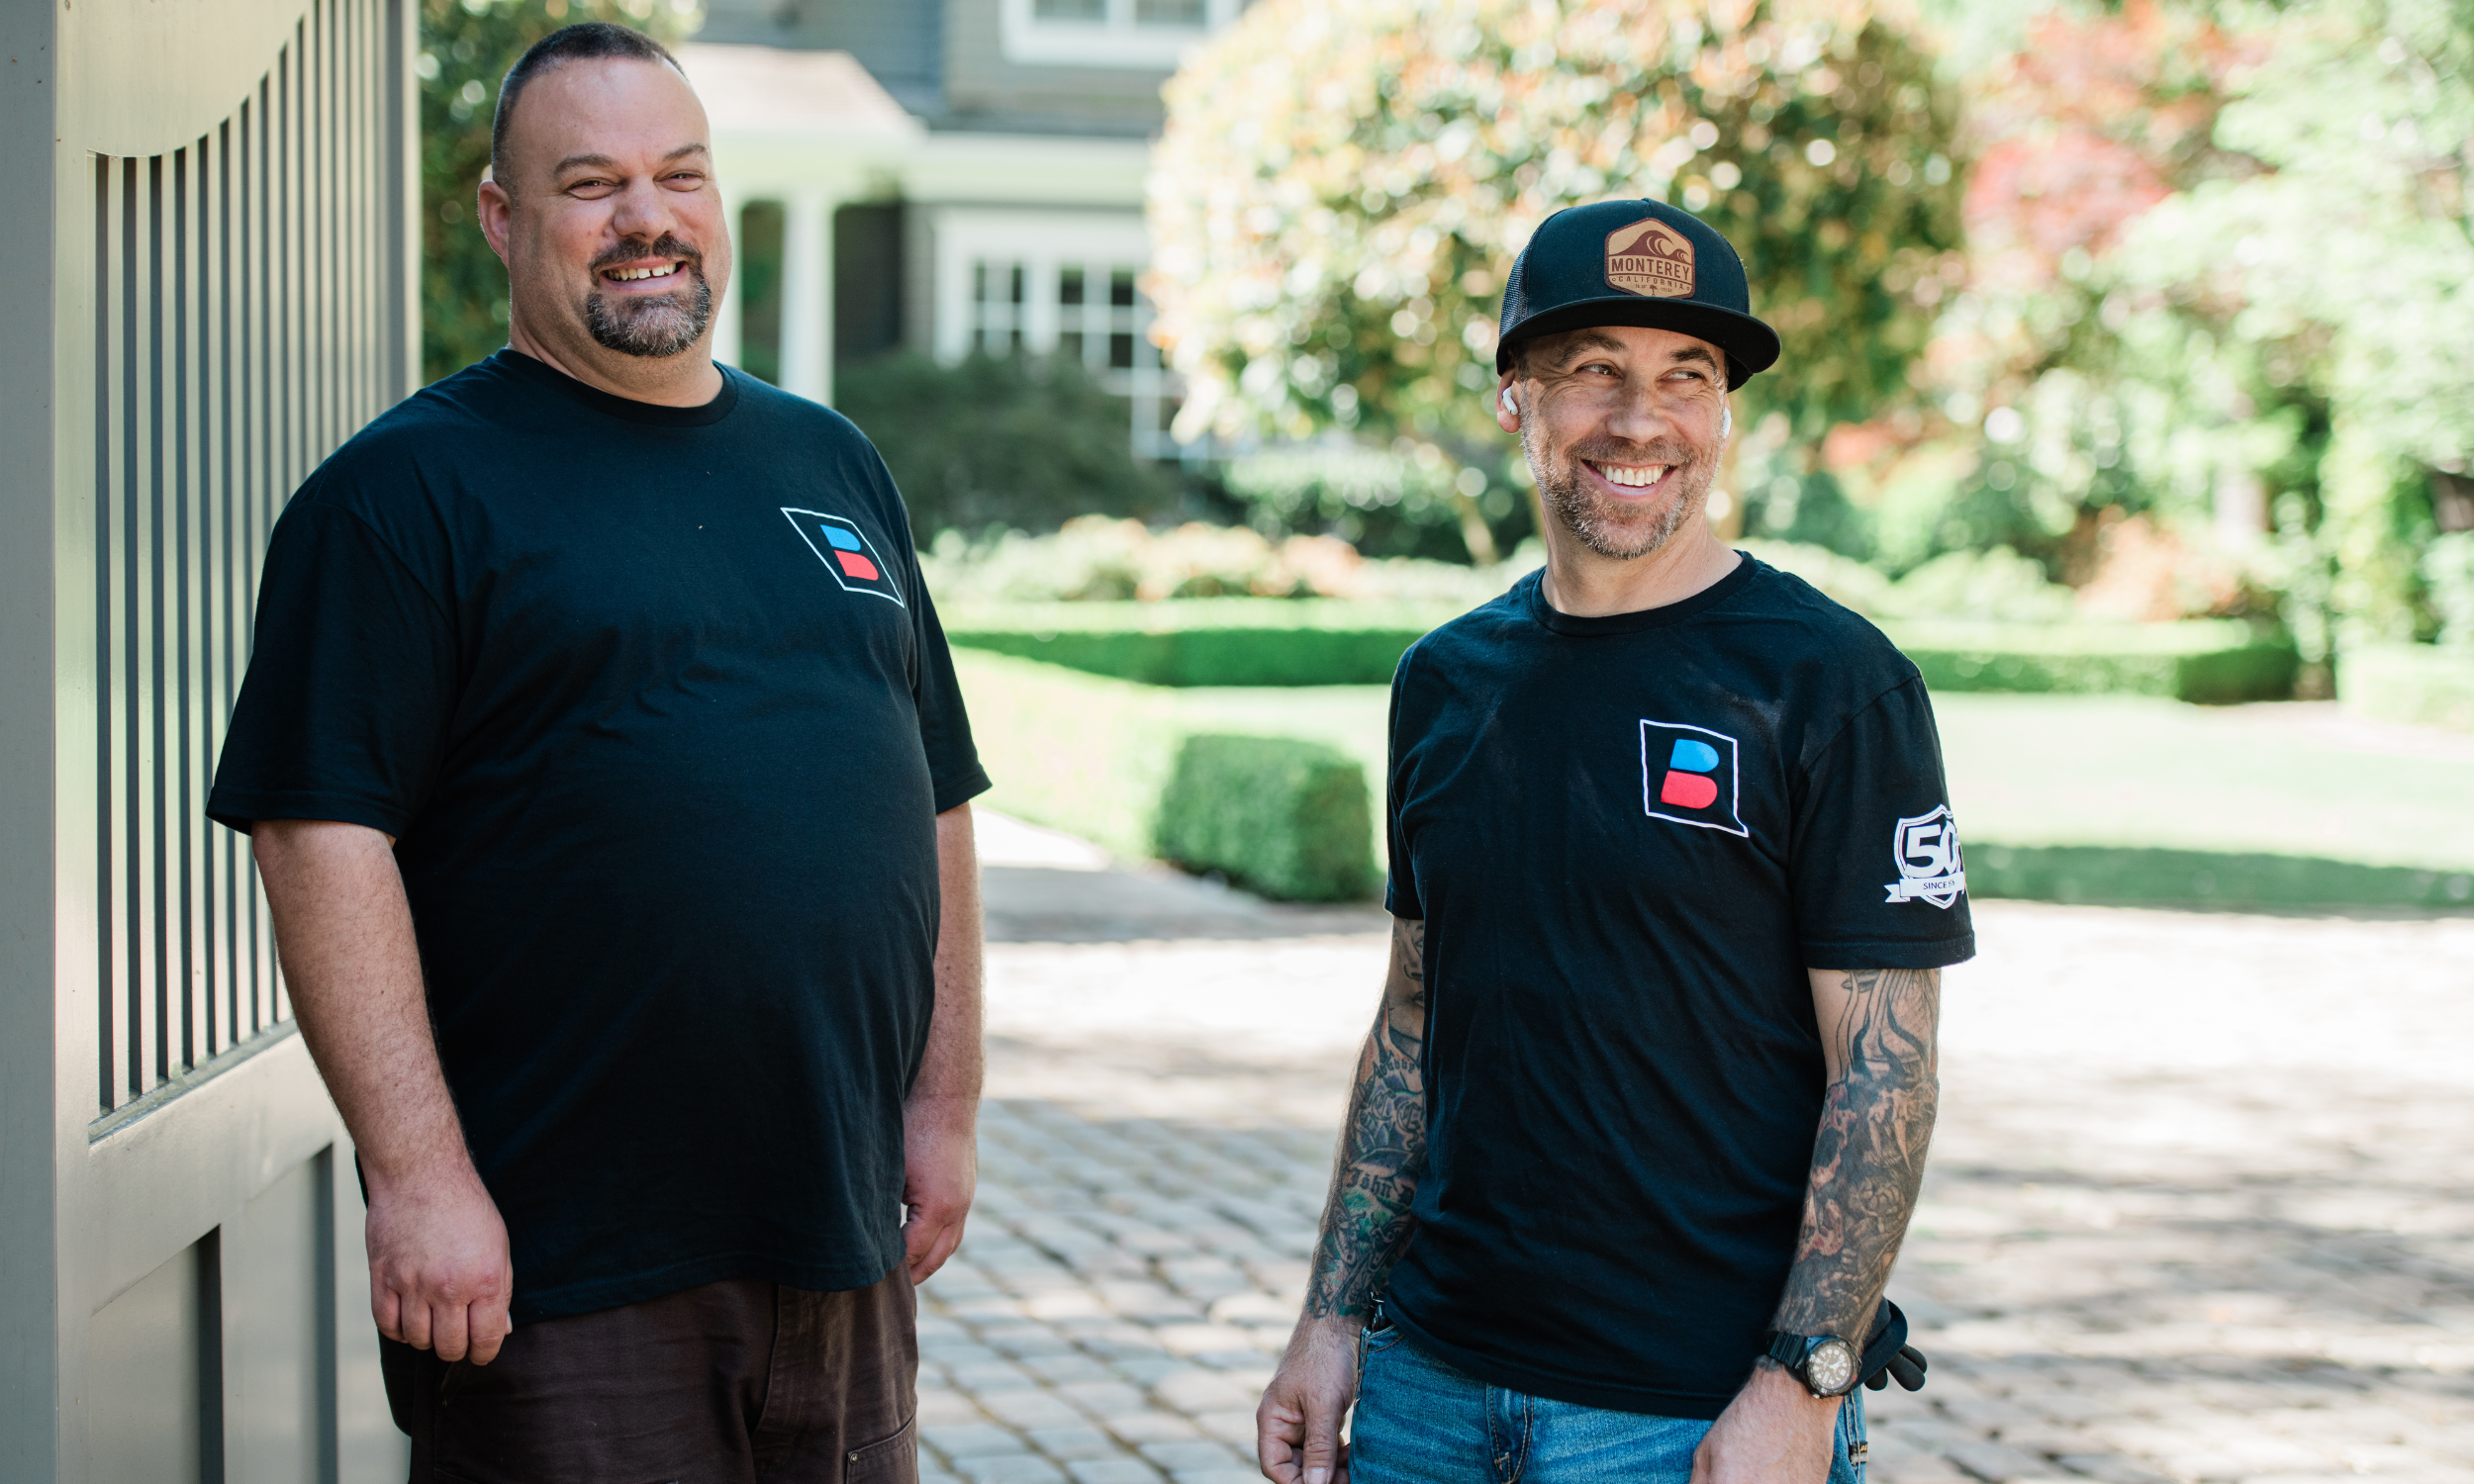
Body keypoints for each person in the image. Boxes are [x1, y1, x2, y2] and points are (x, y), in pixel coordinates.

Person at [207, 23, 987, 1482]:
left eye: (679, 175)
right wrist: (419, 1177)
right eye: (592, 183)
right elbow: (318, 833)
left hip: (837, 1235)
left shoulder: (830, 463)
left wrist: (943, 1106)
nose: (648, 218)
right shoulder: (398, 497)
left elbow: (932, 793)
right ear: (504, 217)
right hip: (562, 1270)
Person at [1255, 198, 1972, 1484]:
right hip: (1428, 1391)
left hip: (1690, 1411)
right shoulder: (1446, 683)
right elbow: (1415, 1033)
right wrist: (1332, 1315)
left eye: (1684, 378)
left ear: (1724, 413)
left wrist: (1806, 1379)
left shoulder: (1830, 684)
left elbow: (1886, 1072)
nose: (1641, 422)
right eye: (1595, 372)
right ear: (1516, 396)